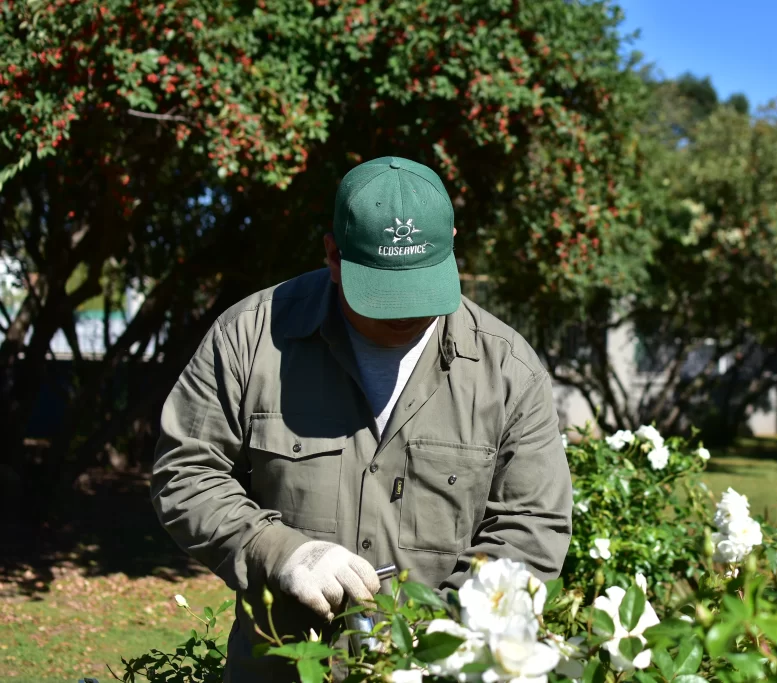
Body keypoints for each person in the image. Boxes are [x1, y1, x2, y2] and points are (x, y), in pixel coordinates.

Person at [150, 156, 573, 682]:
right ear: (333, 254)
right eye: (383, 295)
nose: (404, 315)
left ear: (454, 244)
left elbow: (532, 527)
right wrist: (280, 553)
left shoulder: (507, 370)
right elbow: (185, 473)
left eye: (419, 290)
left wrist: (443, 637)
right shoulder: (250, 339)